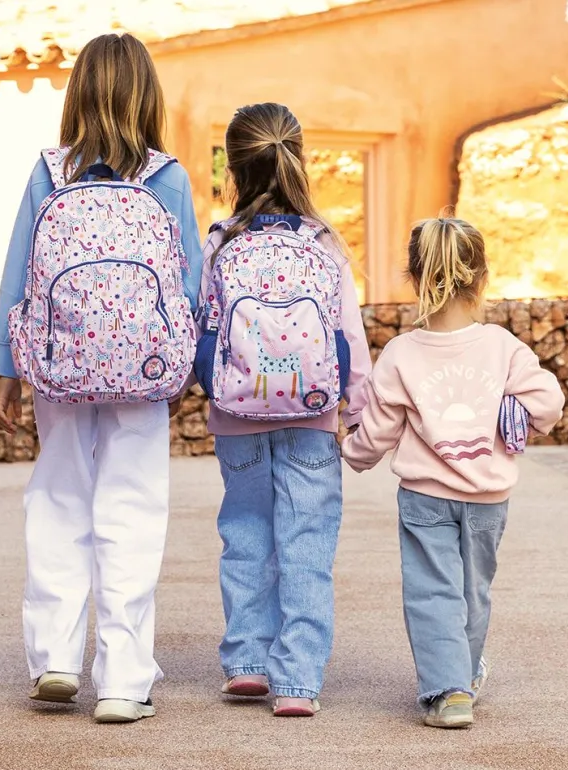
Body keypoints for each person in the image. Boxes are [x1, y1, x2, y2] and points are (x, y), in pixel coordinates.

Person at [0, 33, 202, 724]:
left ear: (76, 93)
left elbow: (20, 269)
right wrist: (186, 365)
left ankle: (55, 658)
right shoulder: (167, 178)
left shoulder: (49, 172)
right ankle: (122, 681)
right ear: (148, 97)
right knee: (132, 510)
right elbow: (190, 284)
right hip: (143, 371)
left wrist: (6, 362)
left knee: (58, 497)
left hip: (60, 366)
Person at [341, 217, 565, 728]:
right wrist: (516, 410)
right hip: (488, 498)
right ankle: (462, 675)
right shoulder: (502, 346)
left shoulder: (400, 353)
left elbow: (378, 430)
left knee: (432, 591)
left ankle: (450, 690)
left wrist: (352, 453)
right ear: (481, 278)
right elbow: (549, 401)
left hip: (424, 498)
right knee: (473, 590)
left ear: (416, 278)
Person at [195, 102, 371, 717]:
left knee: (245, 534)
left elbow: (204, 327)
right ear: (299, 160)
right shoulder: (323, 243)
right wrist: (357, 413)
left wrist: (202, 388)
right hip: (312, 418)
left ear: (233, 169)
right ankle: (296, 680)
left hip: (237, 417)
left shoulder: (221, 242)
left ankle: (247, 660)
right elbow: (350, 337)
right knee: (307, 545)